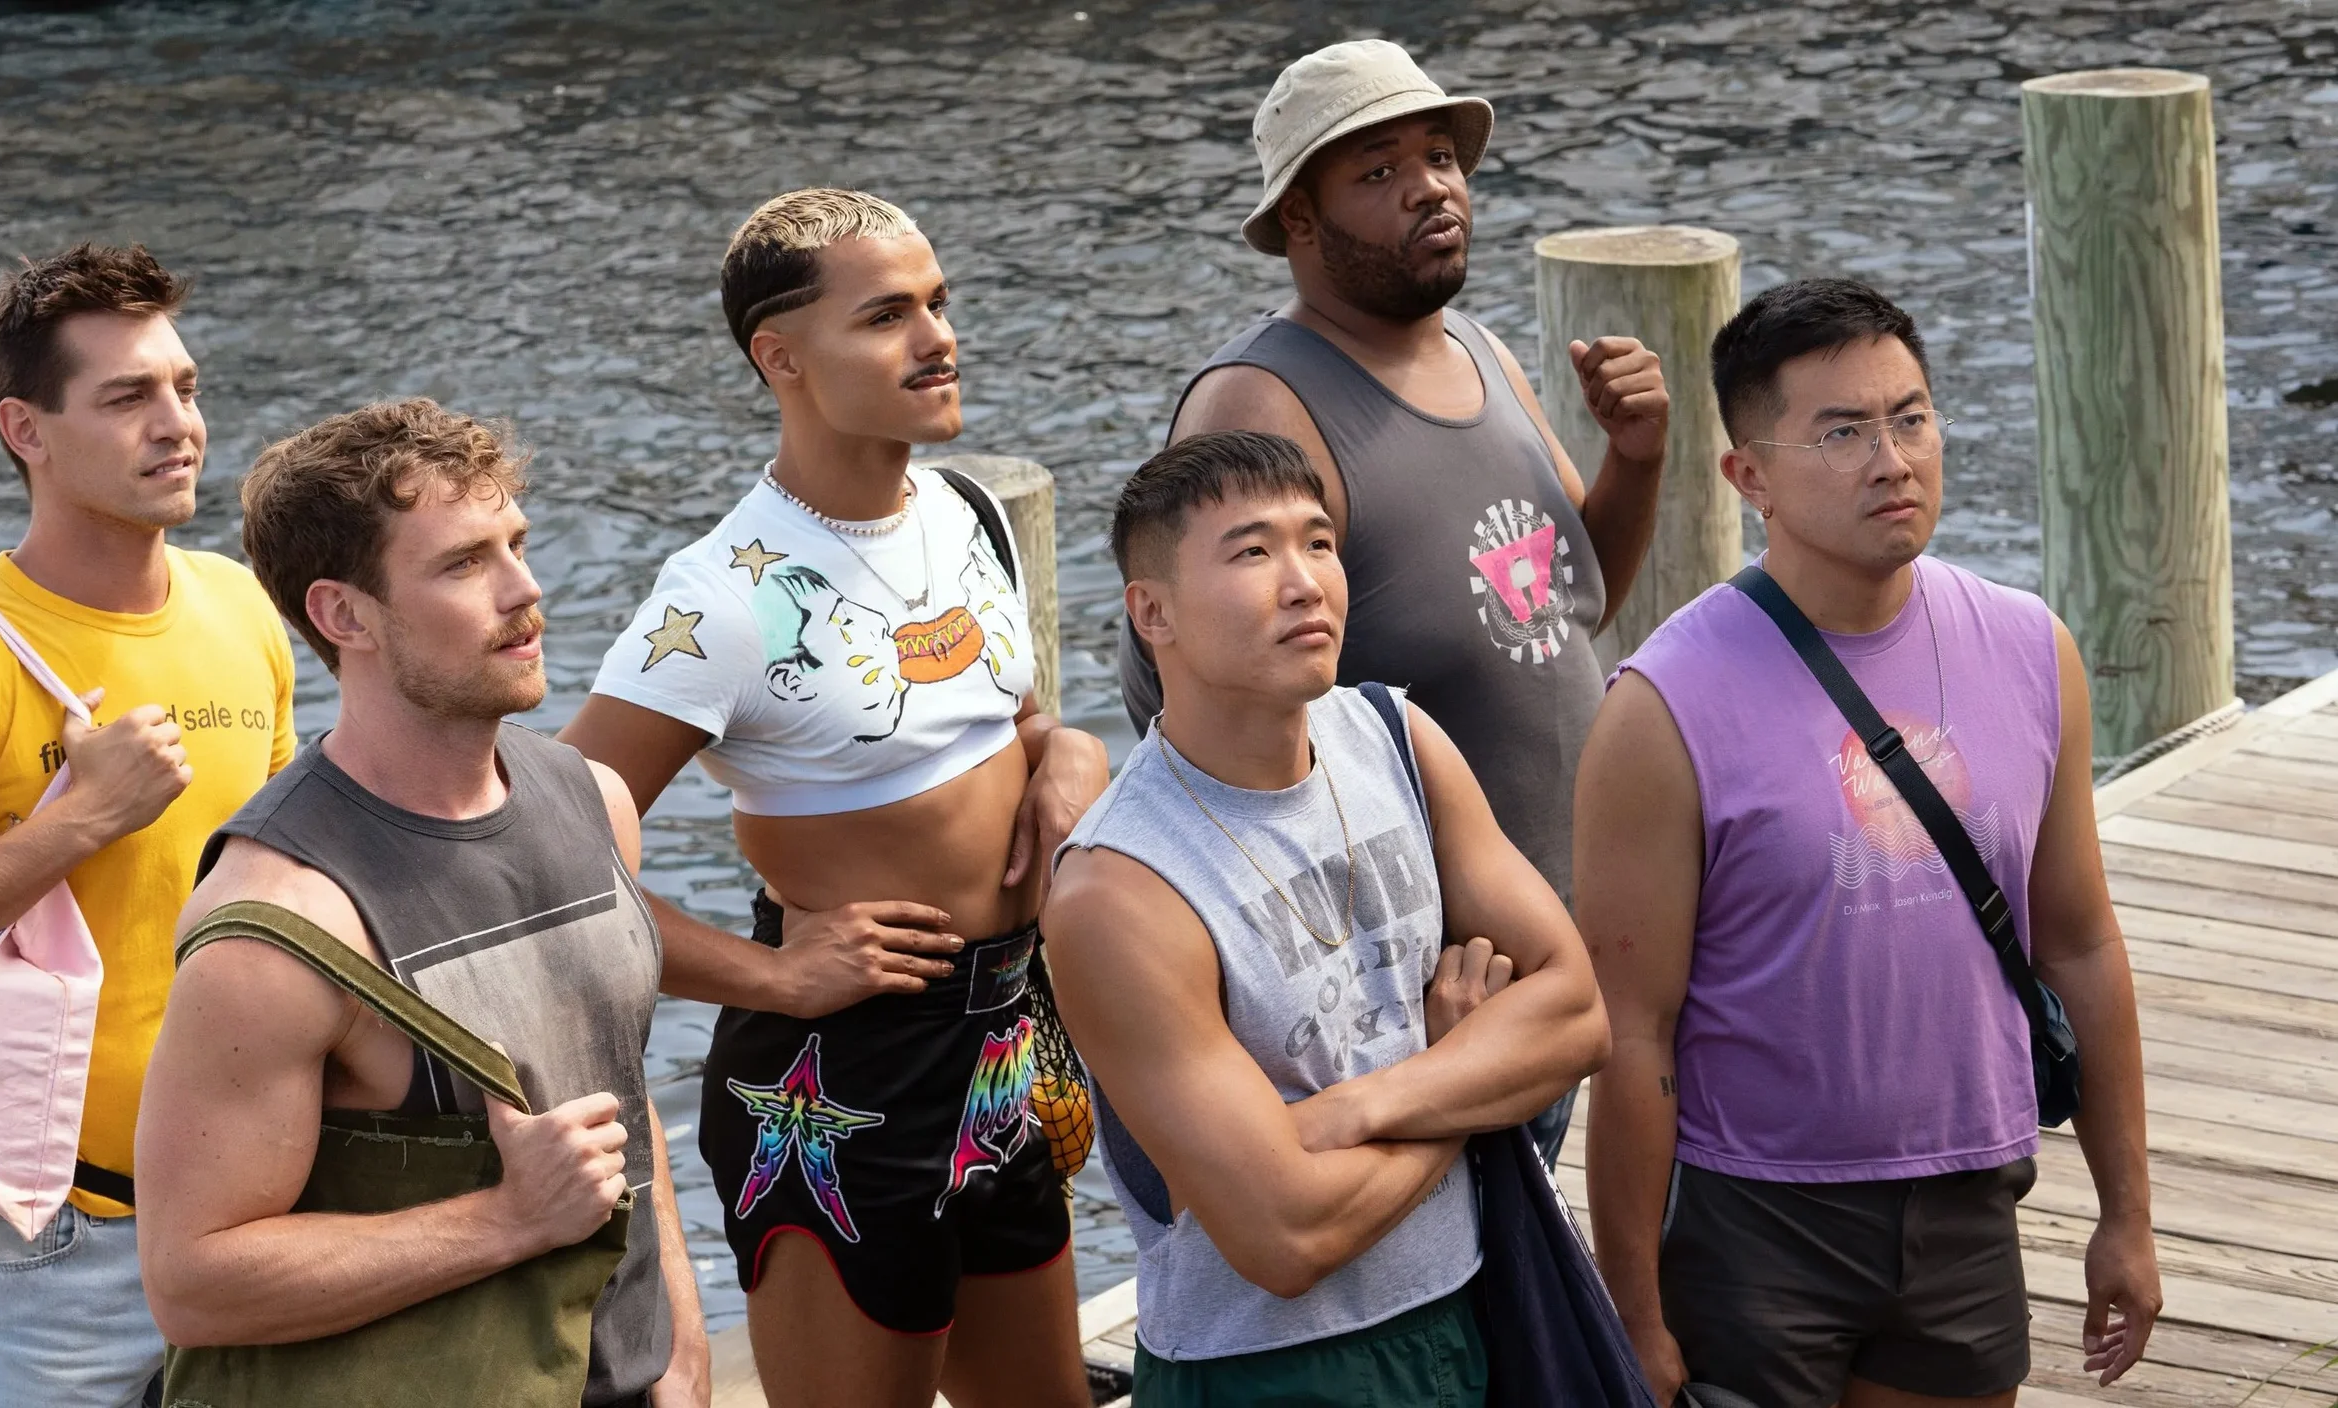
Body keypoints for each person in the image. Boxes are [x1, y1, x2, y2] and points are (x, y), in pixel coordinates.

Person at [556, 188, 1109, 1408]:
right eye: (888, 316)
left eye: (938, 304)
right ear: (781, 357)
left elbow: (1007, 720)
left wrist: (1067, 752)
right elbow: (544, 871)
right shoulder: (720, 601)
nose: (936, 337)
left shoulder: (966, 513)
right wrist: (769, 975)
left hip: (1006, 1042)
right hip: (840, 1077)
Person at [1579, 279, 2162, 1408]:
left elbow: (2080, 945)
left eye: (1909, 416)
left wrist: (2125, 1214)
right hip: (1752, 1211)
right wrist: (1637, 1313)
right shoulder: (1661, 706)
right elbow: (1631, 1033)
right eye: (1840, 432)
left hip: (1965, 1192)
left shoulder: (2030, 650)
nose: (1891, 458)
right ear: (1748, 476)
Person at [1124, 38, 1671, 1164]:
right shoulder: (1263, 402)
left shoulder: (1478, 350)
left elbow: (1569, 608)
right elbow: (1179, 696)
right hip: (1429, 990)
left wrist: (1635, 460)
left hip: (1555, 948)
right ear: (1299, 223)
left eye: (1439, 156)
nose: (1429, 184)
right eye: (1376, 171)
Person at [133, 400, 709, 1405]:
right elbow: (192, 1282)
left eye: (516, 544)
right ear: (342, 614)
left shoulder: (595, 803)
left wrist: (683, 1354)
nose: (525, 590)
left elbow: (619, 1103)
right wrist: (507, 1219)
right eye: (462, 563)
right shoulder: (281, 925)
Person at [1045, 430, 1611, 1405]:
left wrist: (1364, 1102)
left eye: (1318, 542)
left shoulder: (1396, 735)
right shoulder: (1118, 888)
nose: (1305, 580)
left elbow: (1577, 1014)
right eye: (1253, 551)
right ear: (1152, 612)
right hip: (1271, 1367)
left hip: (1472, 1304)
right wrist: (1469, 1075)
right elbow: (1283, 1236)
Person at [0, 243, 296, 1406]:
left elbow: (287, 899)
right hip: (57, 1243)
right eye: (127, 396)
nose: (177, 422)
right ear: (25, 429)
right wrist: (79, 821)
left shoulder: (241, 605)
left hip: (264, 1210)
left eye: (185, 387)